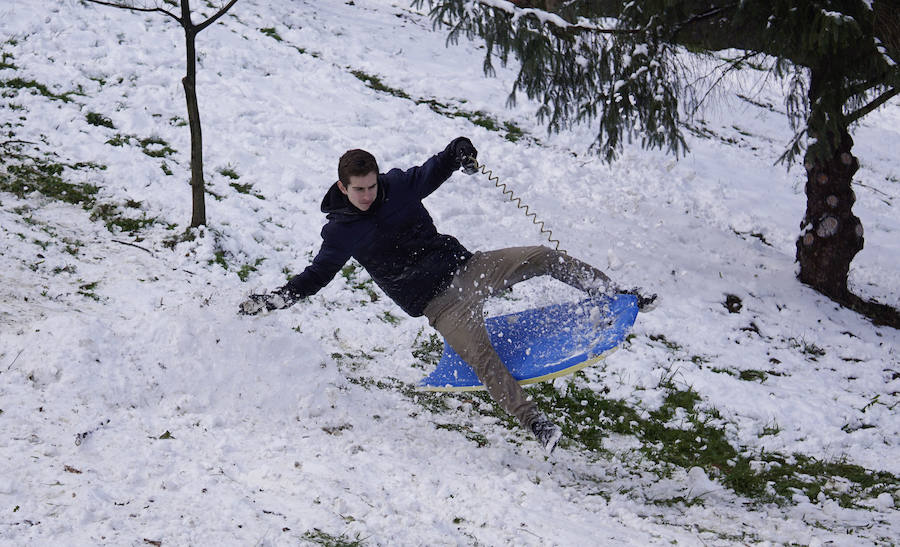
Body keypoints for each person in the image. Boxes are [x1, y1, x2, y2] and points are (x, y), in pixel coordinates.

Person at [239, 137, 654, 454]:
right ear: (342, 188)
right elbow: (317, 275)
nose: (366, 196)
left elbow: (435, 168)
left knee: (542, 255)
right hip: (442, 306)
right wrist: (275, 299)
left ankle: (614, 294)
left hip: (468, 270)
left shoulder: (398, 187)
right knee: (483, 358)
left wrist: (459, 151)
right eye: (358, 190)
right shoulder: (341, 232)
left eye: (370, 187)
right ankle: (535, 423)